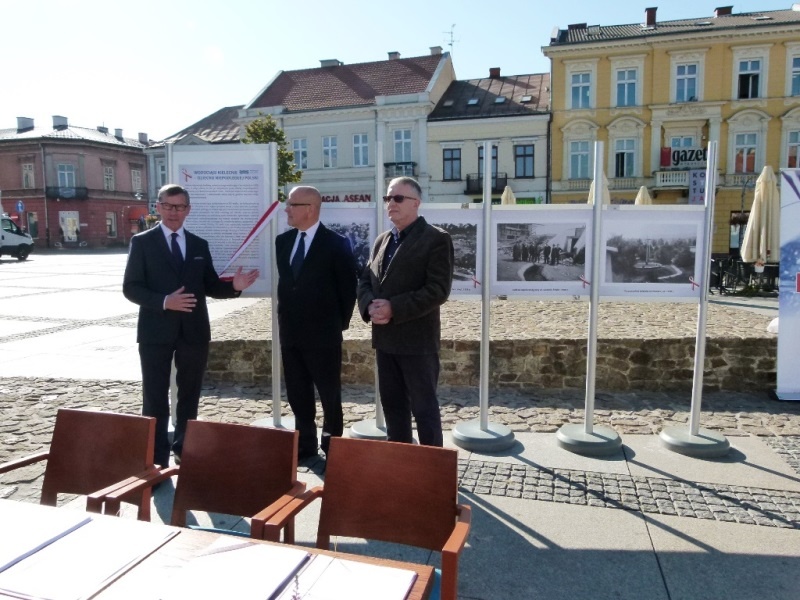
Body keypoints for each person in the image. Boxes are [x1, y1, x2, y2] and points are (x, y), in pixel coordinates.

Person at [123, 183, 259, 467]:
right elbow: (131, 287)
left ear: (188, 210)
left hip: (193, 332)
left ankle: (184, 450)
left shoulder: (199, 245)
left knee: (190, 395)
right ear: (158, 207)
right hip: (155, 332)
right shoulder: (143, 242)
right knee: (154, 397)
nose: (174, 212)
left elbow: (209, 285)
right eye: (168, 206)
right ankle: (156, 459)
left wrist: (234, 287)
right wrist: (165, 301)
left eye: (180, 207)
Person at [357, 176, 454, 447]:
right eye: (388, 198)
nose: (391, 203)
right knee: (393, 408)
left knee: (424, 410)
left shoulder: (436, 238)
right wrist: (369, 305)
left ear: (416, 203)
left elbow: (437, 290)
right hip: (385, 341)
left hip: (417, 342)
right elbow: (365, 280)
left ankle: (432, 464)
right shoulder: (382, 240)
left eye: (398, 198)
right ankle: (399, 461)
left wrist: (394, 308)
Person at [276, 186, 357, 459]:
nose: (286, 209)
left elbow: (348, 290)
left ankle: (333, 444)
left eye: (292, 204)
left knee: (329, 394)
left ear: (310, 209)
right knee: (297, 392)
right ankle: (305, 443)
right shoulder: (283, 242)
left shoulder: (336, 243)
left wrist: (336, 325)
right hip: (290, 333)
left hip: (324, 335)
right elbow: (289, 286)